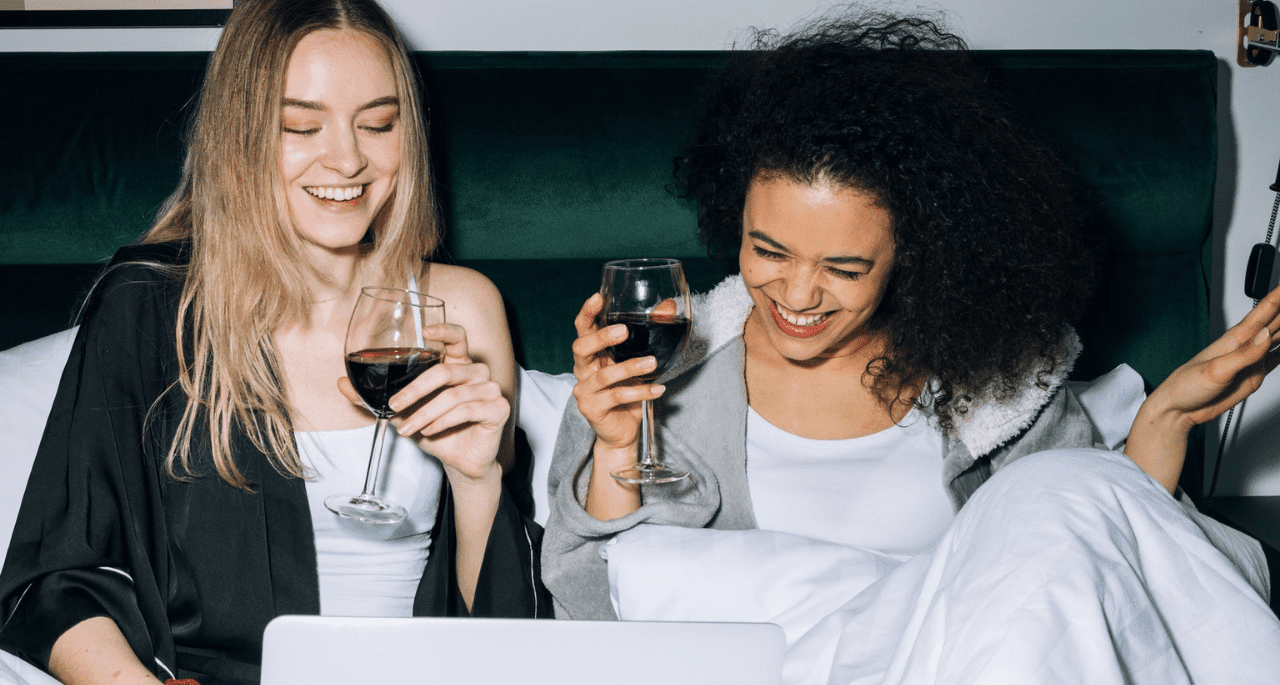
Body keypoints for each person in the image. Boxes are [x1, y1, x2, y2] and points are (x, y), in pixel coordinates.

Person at [541, 13, 1280, 681]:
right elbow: (589, 615)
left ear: (914, 252)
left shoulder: (1000, 385)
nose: (797, 294)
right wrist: (611, 454)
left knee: (1048, 492)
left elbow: (1098, 573)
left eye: (844, 268)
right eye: (768, 251)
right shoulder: (649, 378)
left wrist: (1164, 424)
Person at [0, 1, 549, 684]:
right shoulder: (147, 308)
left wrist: (478, 481)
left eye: (378, 122)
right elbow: (56, 574)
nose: (348, 158)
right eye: (301, 125)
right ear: (241, 136)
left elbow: (505, 642)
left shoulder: (461, 308)